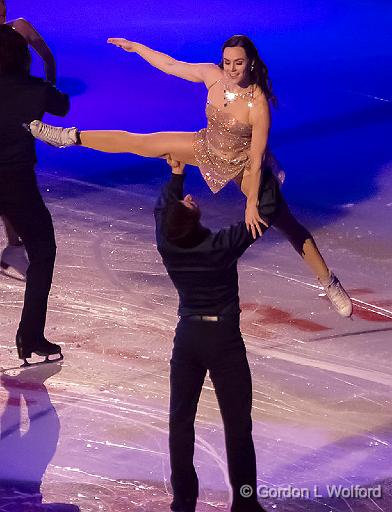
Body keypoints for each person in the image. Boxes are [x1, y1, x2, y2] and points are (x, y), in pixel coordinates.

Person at [28, 34, 352, 317]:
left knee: (286, 222)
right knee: (140, 142)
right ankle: (68, 137)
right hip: (207, 147)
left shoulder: (258, 104)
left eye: (238, 63)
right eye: (227, 62)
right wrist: (137, 47)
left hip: (243, 165)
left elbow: (255, 157)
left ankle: (328, 281)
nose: (231, 68)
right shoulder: (212, 77)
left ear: (251, 63)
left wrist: (251, 202)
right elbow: (170, 65)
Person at [155, 156, 275, 512]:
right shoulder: (221, 245)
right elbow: (266, 213)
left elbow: (164, 211)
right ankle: (245, 504)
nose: (186, 199)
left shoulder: (169, 245)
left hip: (188, 338)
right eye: (186, 202)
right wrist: (260, 170)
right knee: (237, 425)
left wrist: (177, 174)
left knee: (181, 421)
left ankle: (183, 501)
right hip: (223, 341)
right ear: (192, 218)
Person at [0, 24, 69, 364]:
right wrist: (41, 85)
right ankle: (30, 337)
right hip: (17, 184)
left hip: (14, 182)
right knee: (42, 251)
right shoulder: (34, 89)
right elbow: (63, 106)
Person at [0, 0, 56, 278]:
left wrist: (45, 94)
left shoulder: (19, 28)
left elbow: (47, 56)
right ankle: (13, 248)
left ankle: (13, 248)